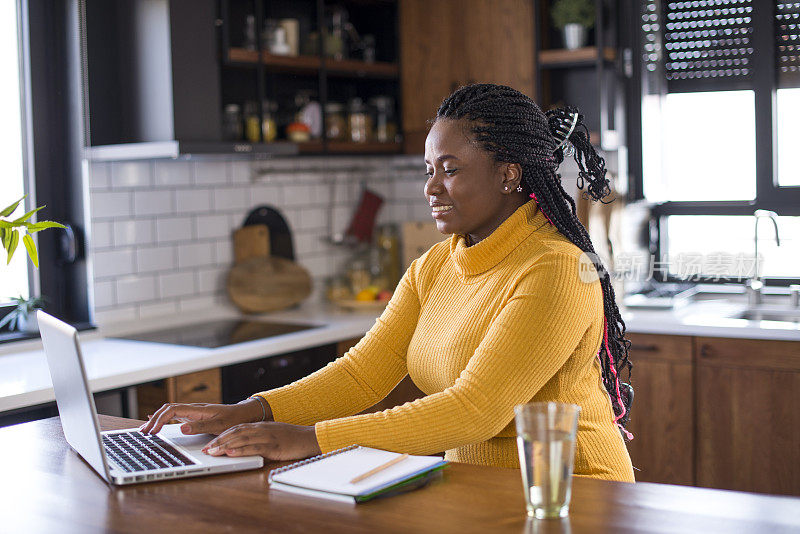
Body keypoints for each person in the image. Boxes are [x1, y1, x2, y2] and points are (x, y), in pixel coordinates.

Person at [141, 84, 635, 482]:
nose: (430, 187)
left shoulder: (556, 270)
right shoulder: (437, 265)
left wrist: (309, 440)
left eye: (450, 169)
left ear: (509, 175)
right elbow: (362, 374)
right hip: (483, 497)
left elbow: (474, 411)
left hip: (573, 494)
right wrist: (249, 411)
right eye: (428, 170)